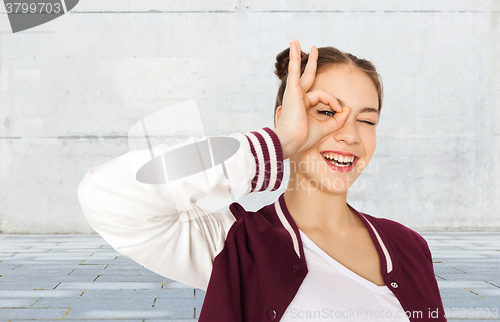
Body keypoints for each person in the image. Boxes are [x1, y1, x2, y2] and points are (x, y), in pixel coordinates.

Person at [77, 40, 447, 321]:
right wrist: (278, 142)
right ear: (288, 118)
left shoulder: (409, 246)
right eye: (326, 113)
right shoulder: (235, 244)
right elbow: (105, 195)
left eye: (366, 120)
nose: (350, 135)